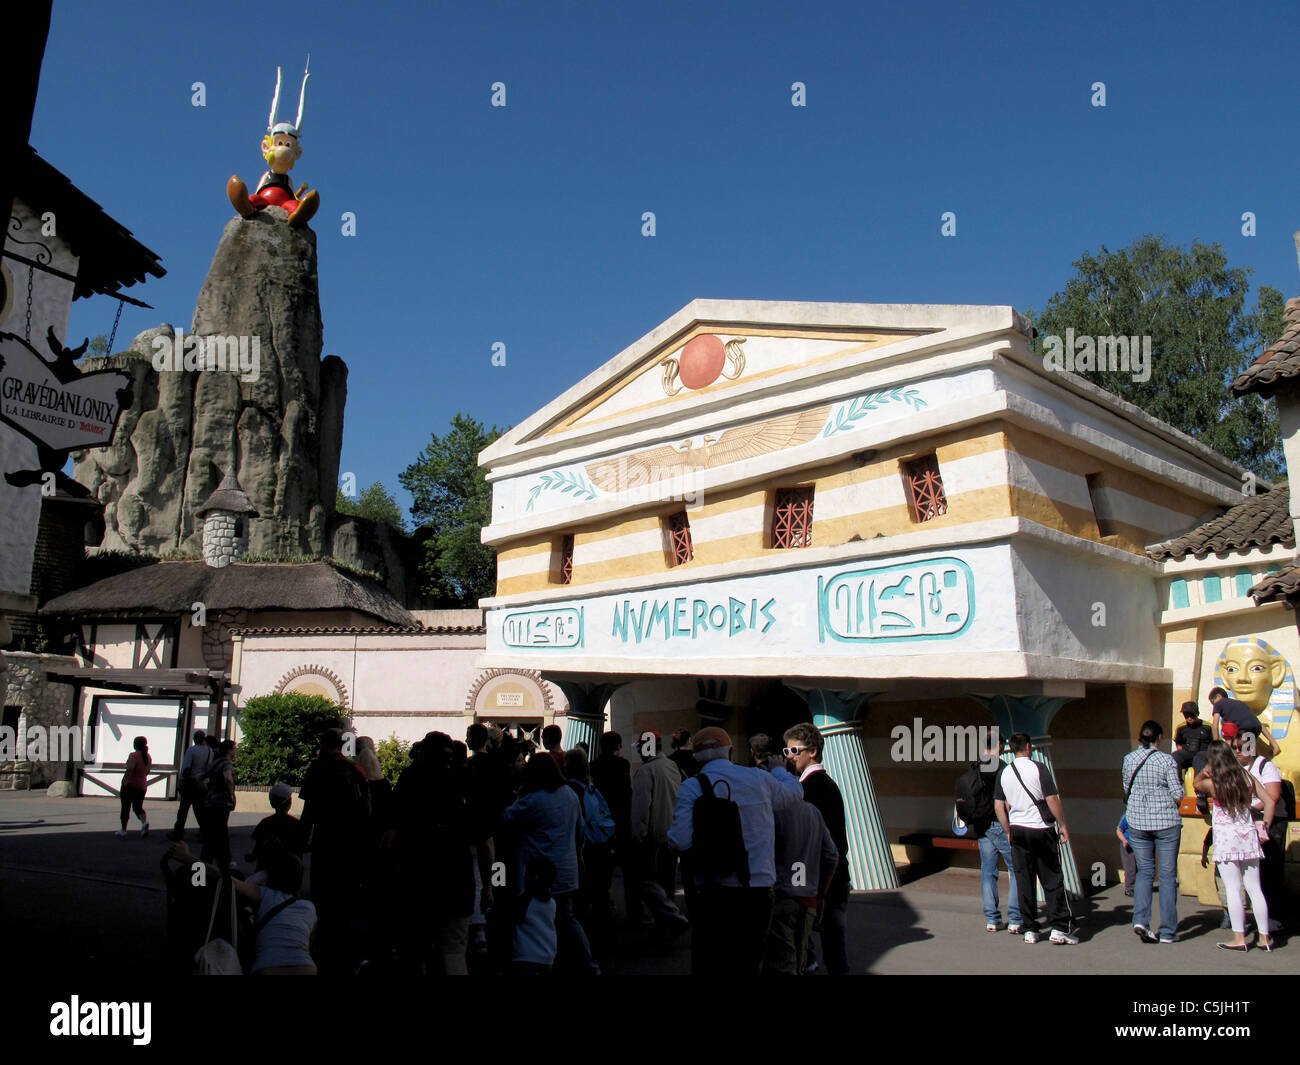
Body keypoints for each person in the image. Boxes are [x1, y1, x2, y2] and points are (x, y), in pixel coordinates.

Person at [668, 726, 804, 975]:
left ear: (696, 757)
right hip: (757, 890)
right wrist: (778, 770)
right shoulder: (760, 779)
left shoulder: (691, 787)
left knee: (710, 961)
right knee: (748, 962)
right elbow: (795, 794)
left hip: (711, 891)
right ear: (731, 752)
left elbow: (679, 841)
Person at [391, 731, 485, 975]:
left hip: (418, 877)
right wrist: (491, 883)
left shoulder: (411, 777)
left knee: (414, 952)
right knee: (453, 951)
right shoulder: (465, 777)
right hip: (458, 878)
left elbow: (393, 830)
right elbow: (484, 836)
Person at [502, 753, 600, 975]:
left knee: (534, 919)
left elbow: (507, 818)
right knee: (567, 918)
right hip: (566, 869)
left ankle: (539, 960)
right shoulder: (569, 794)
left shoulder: (532, 799)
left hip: (537, 872)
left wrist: (519, 794)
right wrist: (578, 856)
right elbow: (579, 832)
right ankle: (589, 964)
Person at [168, 841, 318, 974]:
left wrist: (188, 858)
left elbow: (222, 876)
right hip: (306, 967)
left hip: (269, 967)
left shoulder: (263, 894)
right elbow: (309, 944)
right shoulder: (309, 907)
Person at [299, 728, 372, 973]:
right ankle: (346, 954)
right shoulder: (355, 771)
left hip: (325, 842)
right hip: (350, 845)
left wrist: (299, 845)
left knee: (323, 899)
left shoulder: (316, 770)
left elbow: (308, 813)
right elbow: (366, 813)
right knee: (346, 899)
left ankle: (323, 949)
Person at [993, 732, 1076, 945]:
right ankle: (1059, 927)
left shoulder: (1005, 772)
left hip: (1018, 829)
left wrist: (1008, 830)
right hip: (1041, 828)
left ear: (1011, 748)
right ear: (1028, 747)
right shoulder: (1039, 768)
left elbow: (999, 806)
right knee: (1052, 878)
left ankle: (1030, 928)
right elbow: (1051, 798)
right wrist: (1062, 824)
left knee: (1024, 880)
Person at [782, 722, 852, 973]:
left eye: (794, 751)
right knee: (833, 948)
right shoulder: (828, 784)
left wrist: (815, 889)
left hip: (818, 882)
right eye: (786, 752)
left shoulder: (809, 789)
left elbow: (818, 845)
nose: (789, 757)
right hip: (833, 879)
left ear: (812, 751)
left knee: (806, 950)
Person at [1194, 740, 1275, 951]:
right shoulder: (1247, 777)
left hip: (1226, 838)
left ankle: (1239, 938)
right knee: (1255, 889)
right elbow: (1269, 801)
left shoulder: (1214, 783)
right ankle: (1264, 939)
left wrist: (1205, 770)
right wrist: (1264, 825)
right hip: (1248, 836)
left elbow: (1196, 783)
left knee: (1233, 888)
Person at [764, 787, 838, 975]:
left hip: (782, 898)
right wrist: (821, 893)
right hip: (809, 900)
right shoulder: (814, 812)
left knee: (782, 962)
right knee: (800, 959)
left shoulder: (773, 811)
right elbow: (832, 856)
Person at [1123, 719, 1183, 944]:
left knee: (1144, 873)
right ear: (1159, 737)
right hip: (1166, 822)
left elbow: (1125, 788)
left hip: (1137, 821)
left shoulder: (1128, 759)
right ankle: (1167, 931)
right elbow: (1177, 793)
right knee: (1167, 876)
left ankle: (1141, 920)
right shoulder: (1167, 760)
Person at [628, 730, 689, 937]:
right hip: (672, 834)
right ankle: (667, 925)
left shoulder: (646, 771)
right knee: (667, 882)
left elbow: (641, 809)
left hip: (652, 838)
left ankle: (669, 920)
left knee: (647, 882)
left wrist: (638, 835)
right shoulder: (672, 767)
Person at [957, 738, 1021, 933]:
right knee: (1016, 868)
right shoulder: (1001, 767)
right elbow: (1004, 801)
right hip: (998, 823)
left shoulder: (975, 765)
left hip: (981, 825)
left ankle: (992, 919)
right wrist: (1009, 827)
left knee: (988, 871)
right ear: (1000, 746)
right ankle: (1016, 918)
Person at [591, 731, 634, 924]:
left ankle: (603, 910)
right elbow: (626, 793)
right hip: (621, 822)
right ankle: (634, 913)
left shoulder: (593, 766)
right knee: (629, 872)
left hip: (600, 823)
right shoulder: (623, 765)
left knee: (600, 873)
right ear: (618, 746)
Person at [246, 782, 306, 877]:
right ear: (289, 802)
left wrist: (251, 857)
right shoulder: (296, 825)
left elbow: (256, 851)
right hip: (289, 874)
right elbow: (301, 849)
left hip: (266, 873)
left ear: (272, 803)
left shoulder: (265, 823)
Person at [512, 856, 559, 975]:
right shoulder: (552, 903)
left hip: (525, 956)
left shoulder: (525, 902)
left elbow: (511, 918)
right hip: (547, 958)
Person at [200, 739, 237, 869]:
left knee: (212, 833)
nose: (235, 750)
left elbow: (201, 778)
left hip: (210, 801)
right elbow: (228, 778)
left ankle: (205, 862)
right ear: (229, 750)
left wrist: (208, 790)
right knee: (222, 833)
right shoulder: (227, 764)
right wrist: (231, 793)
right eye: (234, 748)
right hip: (221, 802)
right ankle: (225, 862)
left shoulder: (213, 763)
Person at [171, 729, 211, 841]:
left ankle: (178, 832)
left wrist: (181, 780)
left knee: (183, 810)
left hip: (191, 783)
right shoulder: (209, 751)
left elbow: (186, 767)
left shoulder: (191, 750)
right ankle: (204, 831)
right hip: (202, 782)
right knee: (200, 810)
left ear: (194, 739)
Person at [116, 736, 151, 839]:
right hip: (142, 785)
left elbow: (130, 768)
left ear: (135, 745)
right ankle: (144, 823)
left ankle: (123, 830)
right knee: (138, 807)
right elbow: (148, 771)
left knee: (125, 807)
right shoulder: (148, 757)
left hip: (130, 784)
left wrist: (124, 780)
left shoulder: (133, 755)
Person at [1173, 702, 1213, 776]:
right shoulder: (1181, 728)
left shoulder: (1208, 727)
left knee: (1199, 758)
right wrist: (1181, 750)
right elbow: (1178, 743)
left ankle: (1199, 785)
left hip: (1203, 754)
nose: (1189, 718)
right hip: (1188, 753)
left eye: (1191, 715)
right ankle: (1177, 783)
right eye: (1186, 715)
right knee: (1175, 756)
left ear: (1197, 713)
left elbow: (1214, 743)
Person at [1116, 815, 1136, 897]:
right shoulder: (1126, 816)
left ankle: (1138, 887)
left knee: (1138, 868)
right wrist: (1124, 841)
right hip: (1128, 846)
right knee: (1130, 868)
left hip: (1138, 846)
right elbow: (1119, 830)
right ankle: (1129, 888)